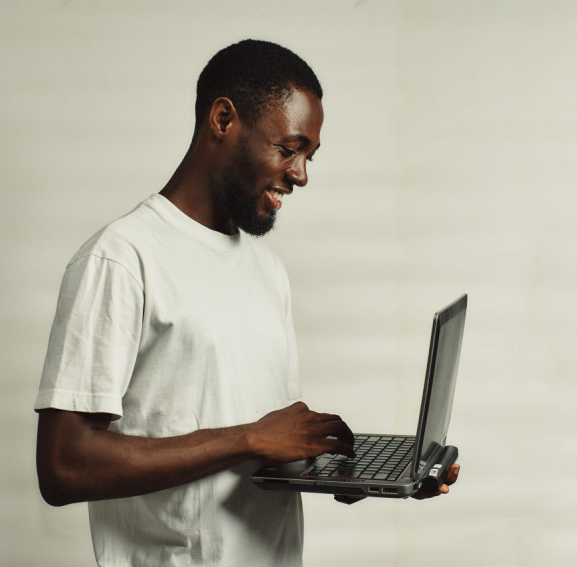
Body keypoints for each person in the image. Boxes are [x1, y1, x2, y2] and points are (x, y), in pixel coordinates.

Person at [34, 39, 459, 567]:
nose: (301, 174)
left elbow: (264, 456)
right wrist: (249, 438)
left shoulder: (267, 270)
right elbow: (63, 465)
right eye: (289, 148)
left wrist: (358, 476)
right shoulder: (121, 259)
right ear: (222, 119)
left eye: (308, 156)